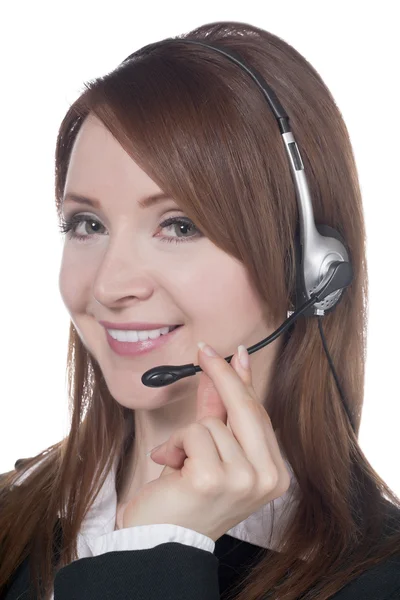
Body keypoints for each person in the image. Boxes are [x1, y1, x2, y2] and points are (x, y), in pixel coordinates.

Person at [1, 20, 400, 600]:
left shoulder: (379, 581)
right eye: (87, 224)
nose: (111, 285)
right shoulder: (12, 515)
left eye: (179, 226)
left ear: (309, 268)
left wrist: (150, 555)